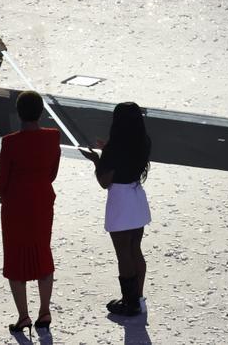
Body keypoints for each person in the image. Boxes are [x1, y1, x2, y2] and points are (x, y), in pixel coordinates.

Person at [0, 91, 61, 335]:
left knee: (16, 258)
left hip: (16, 206)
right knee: (42, 251)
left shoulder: (10, 142)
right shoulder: (53, 137)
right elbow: (52, 172)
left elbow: (2, 180)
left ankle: (23, 317)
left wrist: (7, 195)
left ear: (19, 112)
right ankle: (44, 311)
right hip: (42, 202)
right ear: (41, 111)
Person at [80, 102, 152, 316]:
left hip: (120, 201)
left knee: (123, 255)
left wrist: (97, 159)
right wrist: (108, 151)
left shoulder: (114, 147)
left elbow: (104, 181)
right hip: (137, 197)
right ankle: (137, 297)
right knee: (135, 249)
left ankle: (129, 304)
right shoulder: (143, 141)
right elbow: (126, 159)